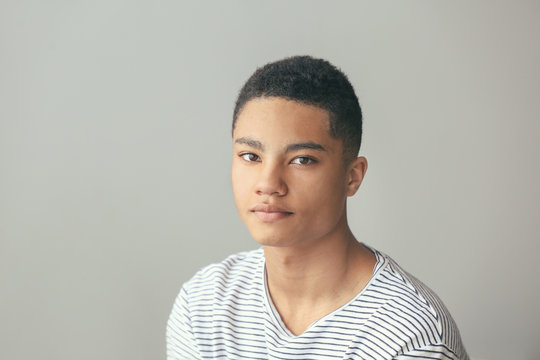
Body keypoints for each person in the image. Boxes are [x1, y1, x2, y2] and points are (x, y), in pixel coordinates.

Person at [166, 55, 469, 359]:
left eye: (302, 160)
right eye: (250, 156)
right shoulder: (203, 307)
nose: (269, 183)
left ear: (352, 177)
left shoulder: (410, 335)